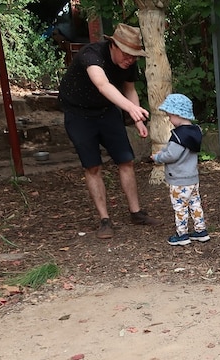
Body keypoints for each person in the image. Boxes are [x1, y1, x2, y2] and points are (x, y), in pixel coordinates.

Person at [58, 23, 161, 239]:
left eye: (135, 55)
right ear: (113, 45)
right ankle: (104, 220)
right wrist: (131, 108)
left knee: (126, 160)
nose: (130, 59)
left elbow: (129, 89)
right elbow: (103, 85)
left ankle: (136, 212)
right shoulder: (92, 55)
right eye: (127, 54)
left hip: (106, 111)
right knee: (93, 166)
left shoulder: (128, 62)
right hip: (79, 114)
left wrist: (138, 121)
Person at [151, 93, 208, 246]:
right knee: (195, 204)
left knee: (180, 207)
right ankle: (200, 230)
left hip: (179, 180)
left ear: (177, 114)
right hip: (192, 178)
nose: (169, 119)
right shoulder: (196, 131)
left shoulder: (178, 135)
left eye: (170, 115)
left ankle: (182, 234)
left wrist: (158, 157)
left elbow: (171, 155)